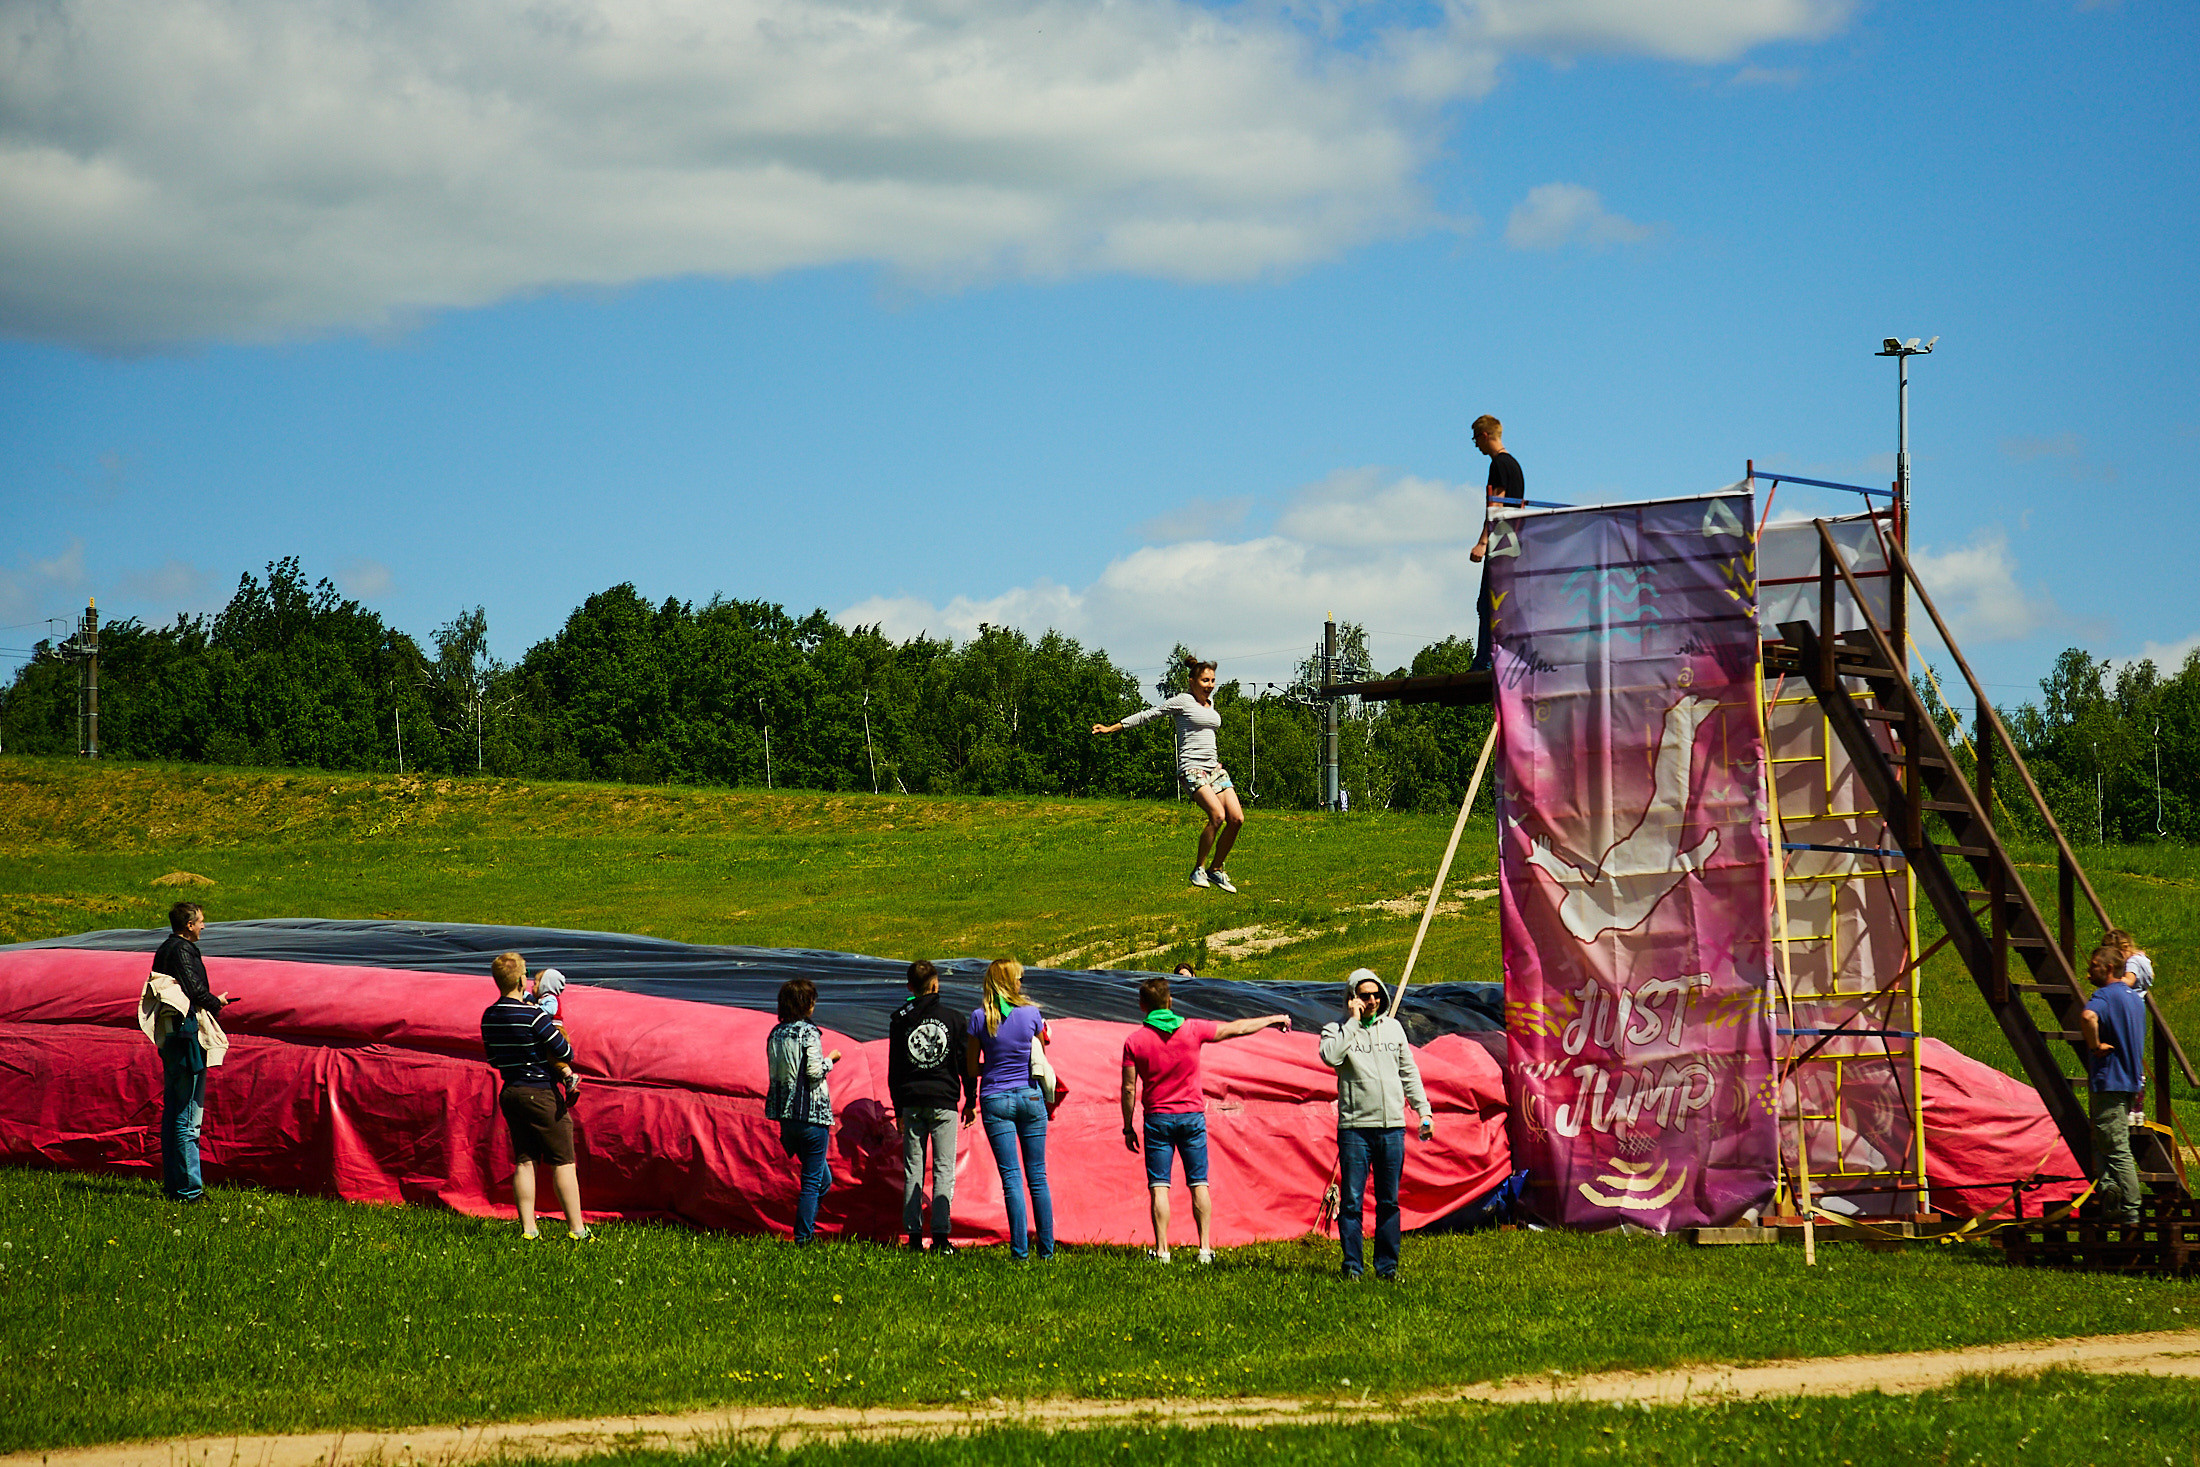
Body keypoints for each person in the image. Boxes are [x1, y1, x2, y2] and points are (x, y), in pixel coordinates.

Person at [1120, 974, 1290, 1263]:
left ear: (1141, 1005)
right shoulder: (1193, 1029)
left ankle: (1162, 1251)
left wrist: (1127, 1126)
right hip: (1192, 1117)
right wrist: (1272, 1019)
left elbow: (1128, 1087)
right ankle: (1205, 1249)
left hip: (1158, 1119)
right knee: (1199, 1182)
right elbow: (1235, 1028)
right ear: (1170, 1001)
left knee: (1159, 1185)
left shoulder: (1134, 1041)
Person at [1318, 968, 1434, 1279]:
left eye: (1376, 995)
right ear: (1352, 998)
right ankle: (1353, 1266)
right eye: (1364, 995)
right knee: (1353, 1200)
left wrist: (1424, 1111)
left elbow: (1409, 1072)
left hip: (1392, 1127)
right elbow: (1330, 1057)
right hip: (1355, 1128)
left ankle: (1387, 1268)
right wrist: (1353, 1024)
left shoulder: (1394, 1029)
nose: (1372, 1000)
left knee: (1389, 1201)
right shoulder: (1335, 1030)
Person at [1093, 657, 1245, 892]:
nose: (1210, 685)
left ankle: (1216, 870)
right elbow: (1148, 715)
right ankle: (1199, 869)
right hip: (1191, 769)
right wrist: (1114, 727)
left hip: (1214, 769)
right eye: (1205, 680)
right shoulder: (1183, 701)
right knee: (1217, 816)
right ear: (1192, 681)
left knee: (1236, 819)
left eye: (1213, 681)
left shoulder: (1210, 703)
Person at [481, 951, 589, 1239]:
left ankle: (529, 1229)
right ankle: (577, 1230)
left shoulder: (489, 1015)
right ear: (520, 980)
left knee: (525, 1160)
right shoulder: (534, 1015)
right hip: (540, 1093)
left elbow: (493, 1058)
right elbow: (566, 1052)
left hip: (510, 1092)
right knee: (564, 1161)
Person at [963, 958, 1055, 1260]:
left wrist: (972, 1098)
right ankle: (1047, 1250)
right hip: (1029, 1096)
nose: (1021, 984)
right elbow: (1041, 1046)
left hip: (995, 1097)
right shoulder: (1031, 1014)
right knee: (1037, 1176)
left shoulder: (979, 1018)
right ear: (1008, 982)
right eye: (1018, 979)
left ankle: (1019, 1251)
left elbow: (971, 1066)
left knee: (1011, 1177)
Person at [147, 902, 232, 1203]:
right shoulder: (183, 951)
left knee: (173, 1112)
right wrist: (215, 1001)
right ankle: (189, 1190)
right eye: (200, 921)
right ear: (188, 925)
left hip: (171, 1037)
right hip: (187, 1037)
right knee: (187, 1116)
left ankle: (175, 1184)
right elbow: (194, 990)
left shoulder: (164, 949)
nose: (204, 926)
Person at [890, 959, 973, 1253]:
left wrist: (898, 1108)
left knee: (913, 1169)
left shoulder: (901, 1020)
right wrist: (971, 1100)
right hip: (944, 1102)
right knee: (943, 1168)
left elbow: (895, 1069)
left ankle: (913, 1237)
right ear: (936, 984)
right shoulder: (954, 1018)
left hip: (912, 1102)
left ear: (910, 987)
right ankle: (940, 1237)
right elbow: (966, 1065)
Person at [766, 978, 842, 1245]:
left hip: (787, 1118)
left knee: (823, 1181)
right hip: (811, 1116)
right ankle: (803, 1237)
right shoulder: (809, 1033)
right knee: (812, 1183)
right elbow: (812, 1073)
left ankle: (805, 1228)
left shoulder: (775, 1033)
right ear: (806, 1005)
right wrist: (830, 1060)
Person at [2079, 944, 2147, 1227]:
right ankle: (2111, 1197)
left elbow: (2087, 1016)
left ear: (2108, 968)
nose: (2088, 971)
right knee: (2103, 1143)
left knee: (2116, 1146)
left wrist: (2094, 1045)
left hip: (2109, 1080)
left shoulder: (2104, 996)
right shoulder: (2135, 999)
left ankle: (2130, 1208)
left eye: (2093, 965)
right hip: (2130, 1082)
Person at [1467, 415, 1525, 673]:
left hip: (1500, 539)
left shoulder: (1499, 465)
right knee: (1503, 600)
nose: (1476, 445)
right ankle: (1507, 655)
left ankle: (1486, 660)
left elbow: (1496, 506)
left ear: (1485, 436)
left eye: (1476, 438)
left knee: (1488, 602)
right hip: (1512, 539)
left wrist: (1482, 542)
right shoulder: (1514, 465)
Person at [530, 967, 581, 1105]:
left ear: (545, 985)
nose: (532, 987)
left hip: (555, 1030)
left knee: (553, 1058)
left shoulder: (550, 998)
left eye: (535, 984)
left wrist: (534, 1008)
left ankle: (569, 1076)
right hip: (551, 1030)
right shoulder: (542, 998)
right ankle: (567, 1086)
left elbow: (551, 1010)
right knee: (550, 1061)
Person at [2107, 928, 2155, 994]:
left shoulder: (2132, 962)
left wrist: (2111, 978)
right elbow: (2152, 975)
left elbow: (2129, 981)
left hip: (2129, 997)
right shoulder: (2141, 958)